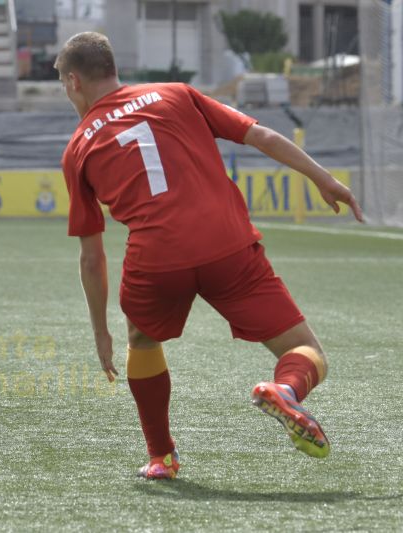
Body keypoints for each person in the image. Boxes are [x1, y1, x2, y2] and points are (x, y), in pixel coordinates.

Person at [55, 32, 363, 480]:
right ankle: (286, 388)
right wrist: (323, 178)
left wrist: (100, 330)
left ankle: (162, 457)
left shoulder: (79, 146)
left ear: (74, 81)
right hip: (228, 244)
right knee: (305, 350)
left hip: (156, 259)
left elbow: (90, 256)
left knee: (141, 341)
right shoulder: (177, 94)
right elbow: (261, 134)